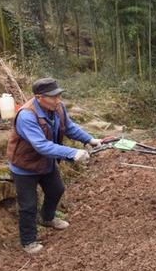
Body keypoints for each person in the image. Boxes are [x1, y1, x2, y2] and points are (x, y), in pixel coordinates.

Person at [6, 78, 102, 254]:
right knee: (28, 205)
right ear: (39, 97)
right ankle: (28, 241)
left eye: (59, 95)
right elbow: (41, 145)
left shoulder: (57, 107)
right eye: (53, 97)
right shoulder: (27, 115)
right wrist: (72, 153)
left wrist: (89, 139)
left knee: (56, 189)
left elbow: (69, 127)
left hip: (46, 162)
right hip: (25, 166)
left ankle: (47, 218)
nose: (58, 100)